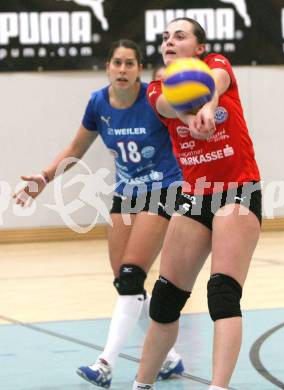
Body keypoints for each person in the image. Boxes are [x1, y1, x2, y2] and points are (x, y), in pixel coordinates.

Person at [13, 39, 184, 388]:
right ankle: (168, 356)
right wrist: (44, 178)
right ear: (107, 66)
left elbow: (185, 132)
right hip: (125, 194)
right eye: (117, 63)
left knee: (131, 275)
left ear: (139, 69)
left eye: (130, 64)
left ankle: (105, 364)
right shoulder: (98, 103)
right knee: (126, 283)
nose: (122, 70)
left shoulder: (155, 98)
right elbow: (76, 149)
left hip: (163, 189)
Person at [132, 17, 262, 390]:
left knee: (222, 294)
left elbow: (218, 81)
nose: (169, 41)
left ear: (199, 48)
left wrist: (211, 102)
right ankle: (141, 384)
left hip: (238, 189)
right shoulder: (157, 89)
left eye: (179, 35)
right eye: (164, 37)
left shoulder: (218, 65)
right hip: (196, 194)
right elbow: (168, 106)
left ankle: (217, 387)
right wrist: (191, 115)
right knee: (165, 299)